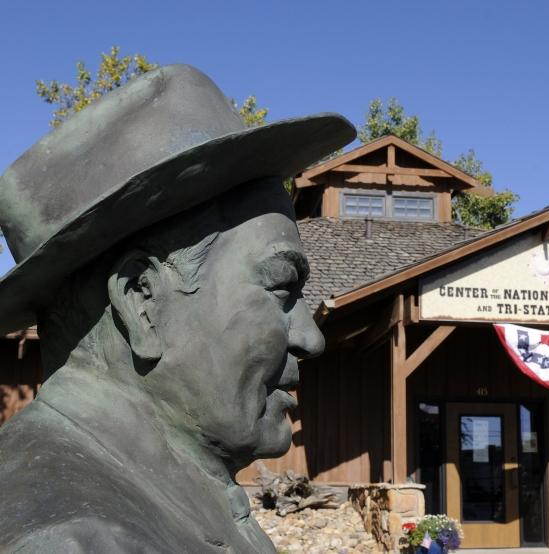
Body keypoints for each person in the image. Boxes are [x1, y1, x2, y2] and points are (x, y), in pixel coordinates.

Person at [0, 64, 355, 553]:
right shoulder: (74, 541)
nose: (311, 338)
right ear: (140, 301)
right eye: (281, 288)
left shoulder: (163, 497)